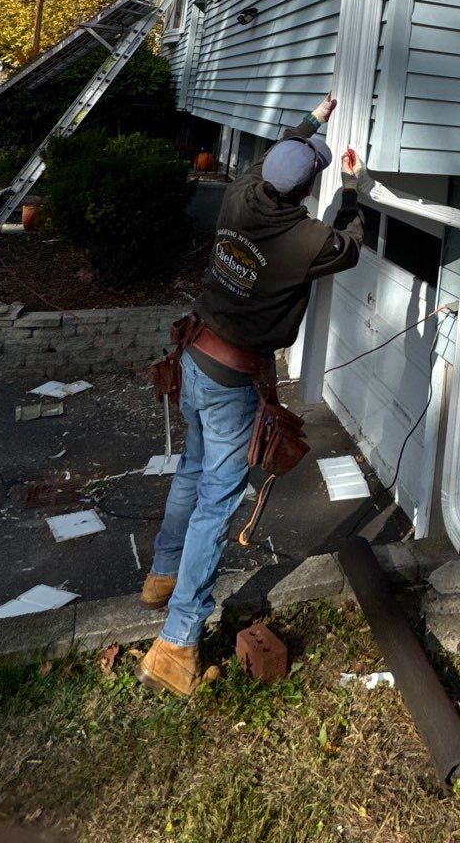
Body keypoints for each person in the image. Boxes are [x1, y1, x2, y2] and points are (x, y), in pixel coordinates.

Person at [137, 92, 368, 697]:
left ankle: (162, 572)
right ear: (305, 186)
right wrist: (353, 187)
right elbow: (351, 244)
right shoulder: (305, 243)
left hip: (193, 355)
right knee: (217, 501)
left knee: (191, 471)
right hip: (233, 379)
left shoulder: (240, 192)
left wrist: (311, 121)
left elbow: (278, 158)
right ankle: (177, 641)